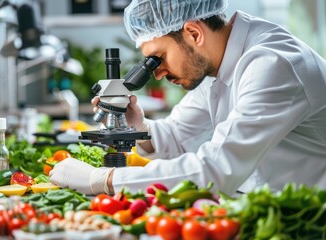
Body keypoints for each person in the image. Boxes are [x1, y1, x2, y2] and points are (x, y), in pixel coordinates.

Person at [50, 0, 326, 196]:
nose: (156, 73)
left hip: (306, 217)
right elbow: (178, 136)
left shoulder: (272, 64)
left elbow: (216, 170)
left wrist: (103, 179)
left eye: (158, 58)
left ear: (193, 33)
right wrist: (139, 127)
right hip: (259, 203)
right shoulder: (219, 63)